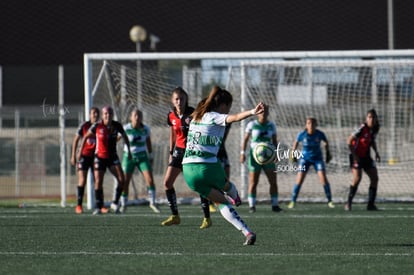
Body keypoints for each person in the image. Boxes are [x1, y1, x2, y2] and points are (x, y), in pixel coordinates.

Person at [182, 85, 262, 245]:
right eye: (229, 107)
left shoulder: (196, 116)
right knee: (226, 185)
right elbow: (236, 117)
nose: (228, 110)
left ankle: (247, 232)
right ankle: (236, 198)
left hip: (188, 171)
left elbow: (187, 121)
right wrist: (252, 112)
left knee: (221, 202)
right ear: (223, 105)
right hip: (207, 166)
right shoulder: (214, 116)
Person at [161, 87, 211, 228]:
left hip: (192, 152)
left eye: (182, 98)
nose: (179, 101)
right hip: (178, 152)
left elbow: (201, 130)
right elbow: (173, 134)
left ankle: (207, 217)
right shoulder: (171, 115)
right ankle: (175, 216)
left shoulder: (193, 113)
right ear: (172, 100)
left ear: (186, 99)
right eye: (176, 99)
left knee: (199, 184)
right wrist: (171, 153)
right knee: (167, 183)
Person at [77, 106, 132, 215]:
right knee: (98, 181)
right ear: (103, 115)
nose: (108, 115)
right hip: (99, 157)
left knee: (122, 179)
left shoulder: (117, 125)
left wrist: (129, 151)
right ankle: (98, 207)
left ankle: (115, 202)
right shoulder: (97, 126)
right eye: (106, 113)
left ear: (112, 115)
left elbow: (125, 137)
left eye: (110, 113)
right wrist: (80, 151)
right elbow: (85, 137)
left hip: (112, 157)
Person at [240, 104, 282, 213]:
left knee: (273, 181)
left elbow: (274, 141)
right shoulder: (251, 124)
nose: (263, 113)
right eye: (261, 111)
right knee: (253, 181)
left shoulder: (271, 125)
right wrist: (242, 153)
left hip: (268, 157)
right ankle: (252, 206)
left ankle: (275, 205)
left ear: (268, 113)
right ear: (258, 112)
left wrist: (277, 154)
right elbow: (245, 140)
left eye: (266, 111)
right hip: (254, 157)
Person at [287, 117, 334, 209]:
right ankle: (293, 201)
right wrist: (293, 153)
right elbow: (296, 142)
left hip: (317, 159)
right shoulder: (302, 134)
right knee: (299, 179)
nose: (311, 125)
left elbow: (326, 142)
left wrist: (327, 152)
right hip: (305, 159)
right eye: (308, 123)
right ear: (306, 125)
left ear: (316, 125)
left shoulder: (320, 134)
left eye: (313, 123)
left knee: (323, 178)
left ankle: (330, 201)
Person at [120, 108, 160, 213]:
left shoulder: (146, 129)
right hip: (129, 157)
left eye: (139, 116)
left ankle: (152, 202)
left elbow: (148, 143)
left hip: (142, 157)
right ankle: (123, 204)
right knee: (125, 182)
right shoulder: (125, 128)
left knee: (150, 179)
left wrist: (151, 156)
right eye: (135, 115)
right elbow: (116, 138)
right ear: (131, 118)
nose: (137, 118)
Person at [345, 109, 381, 211]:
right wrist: (355, 156)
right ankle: (348, 203)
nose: (371, 119)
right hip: (356, 156)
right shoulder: (361, 128)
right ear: (366, 118)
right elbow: (349, 141)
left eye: (373, 117)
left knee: (375, 178)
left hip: (366, 156)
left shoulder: (375, 129)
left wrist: (376, 152)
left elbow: (372, 141)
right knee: (357, 179)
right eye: (369, 117)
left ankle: (370, 204)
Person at [70, 107, 100, 214]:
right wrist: (73, 155)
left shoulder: (101, 127)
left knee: (98, 180)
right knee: (82, 179)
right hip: (84, 156)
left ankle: (99, 205)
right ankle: (79, 205)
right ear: (89, 115)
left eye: (97, 113)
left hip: (96, 157)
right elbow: (75, 140)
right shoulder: (84, 126)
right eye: (93, 113)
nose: (95, 115)